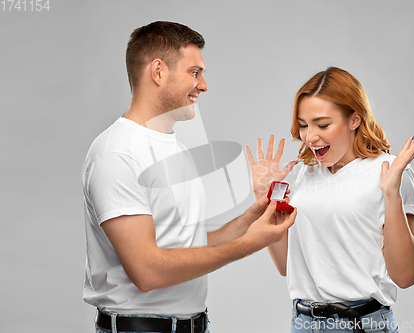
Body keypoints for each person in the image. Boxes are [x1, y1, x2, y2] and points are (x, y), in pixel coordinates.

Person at [82, 21, 296, 333]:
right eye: (194, 72)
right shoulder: (117, 154)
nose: (204, 85)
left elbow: (183, 247)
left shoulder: (175, 148)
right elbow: (148, 271)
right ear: (158, 72)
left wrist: (248, 220)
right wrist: (248, 245)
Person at [246, 67, 414, 333]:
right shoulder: (307, 174)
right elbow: (288, 266)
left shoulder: (391, 171)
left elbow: (406, 276)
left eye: (322, 124)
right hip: (303, 322)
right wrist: (264, 197)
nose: (310, 136)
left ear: (354, 119)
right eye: (304, 125)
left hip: (361, 324)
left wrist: (392, 197)